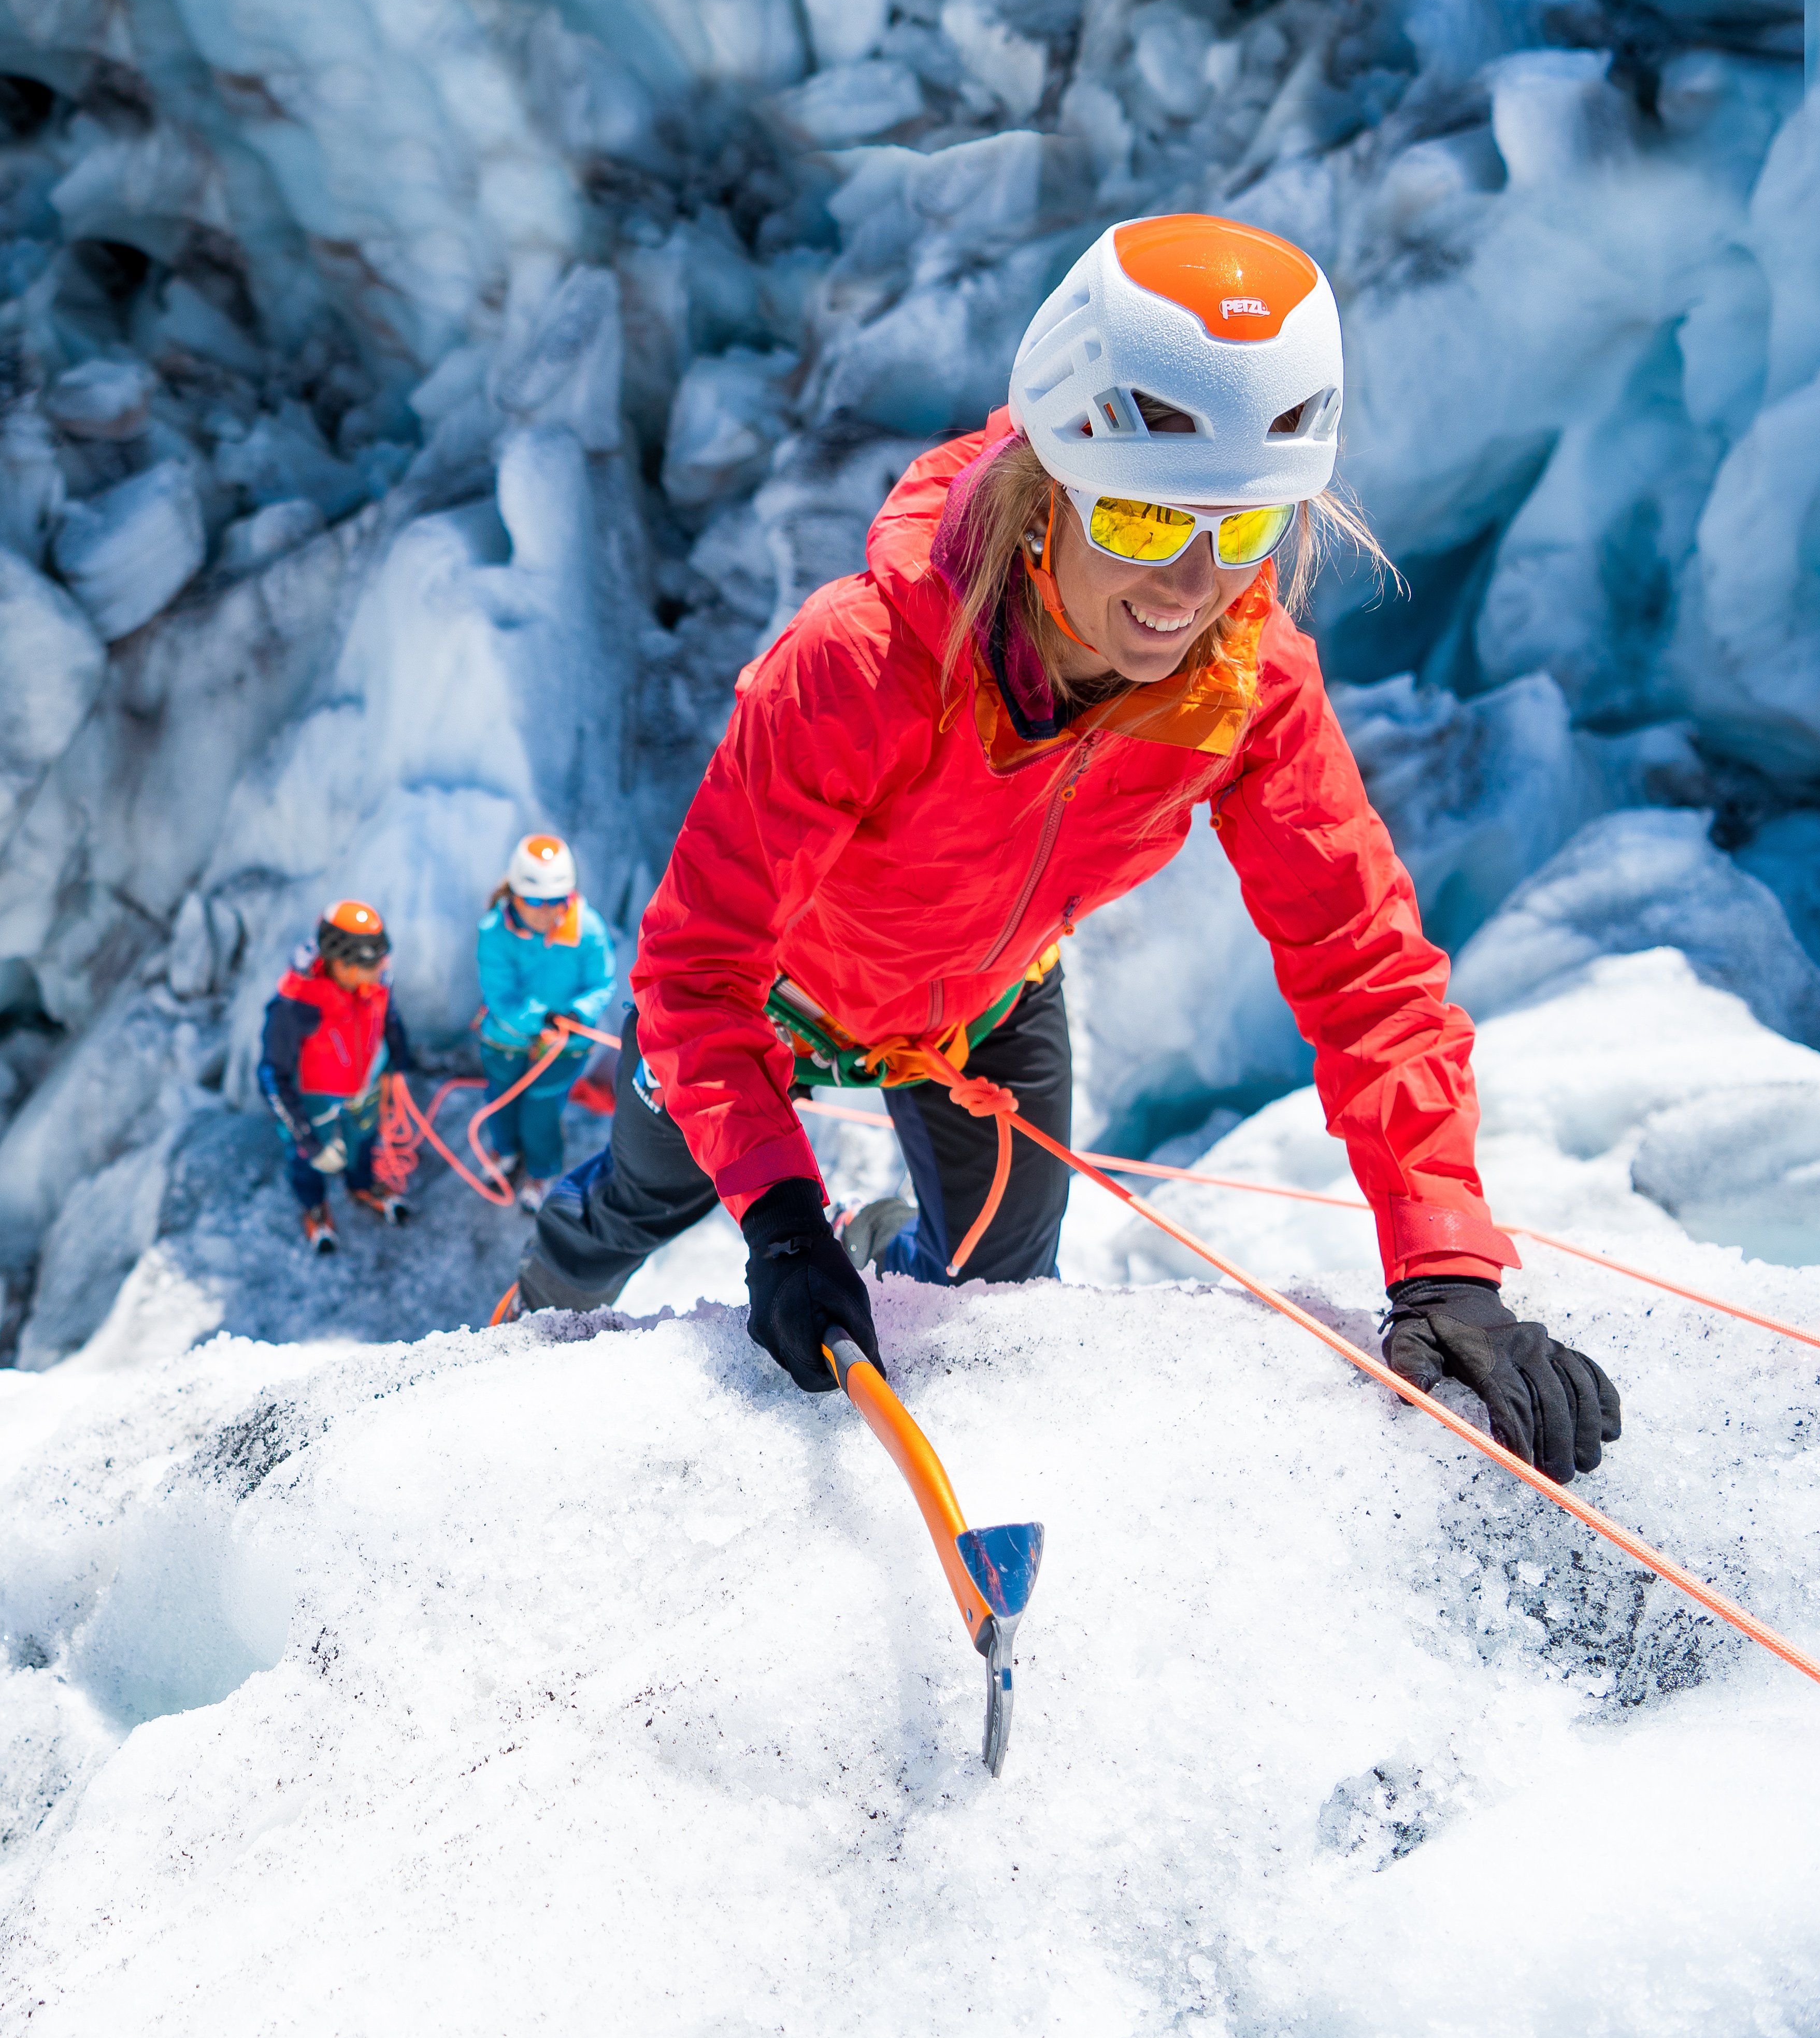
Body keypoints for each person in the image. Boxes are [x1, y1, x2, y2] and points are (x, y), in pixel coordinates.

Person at [495, 213, 1623, 1486]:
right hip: (777, 1001)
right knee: (630, 1212)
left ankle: (885, 1267)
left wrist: (1448, 1266)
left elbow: (1366, 971)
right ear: (1047, 491)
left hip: (986, 1002)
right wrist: (782, 1222)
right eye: (1144, 522)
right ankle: (490, 1351)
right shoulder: (857, 665)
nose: (1190, 587)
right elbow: (697, 977)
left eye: (1243, 528)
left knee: (995, 1295)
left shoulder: (1253, 689)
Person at [261, 898, 421, 1253]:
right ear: (342, 965)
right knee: (307, 1161)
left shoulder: (376, 981)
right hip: (313, 1100)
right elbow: (272, 1075)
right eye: (371, 963)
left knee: (363, 1142)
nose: (382, 968)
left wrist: (399, 1066)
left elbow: (389, 1020)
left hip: (363, 1089)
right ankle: (314, 1205)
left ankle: (361, 1184)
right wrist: (307, 1139)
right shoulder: (295, 1005)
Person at [471, 833, 620, 1211]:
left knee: (541, 1107)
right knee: (501, 1099)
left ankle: (541, 1169)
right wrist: (541, 1019)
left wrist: (576, 1014)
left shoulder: (587, 929)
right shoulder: (494, 932)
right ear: (515, 895)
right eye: (535, 901)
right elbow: (500, 995)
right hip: (506, 1039)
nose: (546, 911)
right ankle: (505, 1151)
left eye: (557, 901)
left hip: (565, 1045)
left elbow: (601, 983)